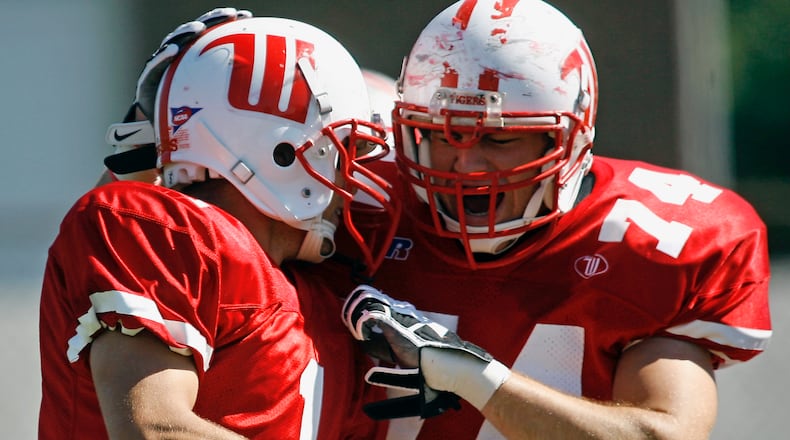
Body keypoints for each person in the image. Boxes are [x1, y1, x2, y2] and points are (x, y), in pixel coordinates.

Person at [317, 0, 772, 438]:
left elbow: (663, 433)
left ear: (570, 141)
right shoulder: (357, 207)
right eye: (442, 134)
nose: (466, 165)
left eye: (497, 140)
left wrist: (477, 379)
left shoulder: (655, 241)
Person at [38, 9, 399, 439]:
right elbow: (154, 429)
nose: (352, 179)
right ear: (282, 151)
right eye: (344, 149)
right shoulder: (159, 229)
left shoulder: (325, 299)